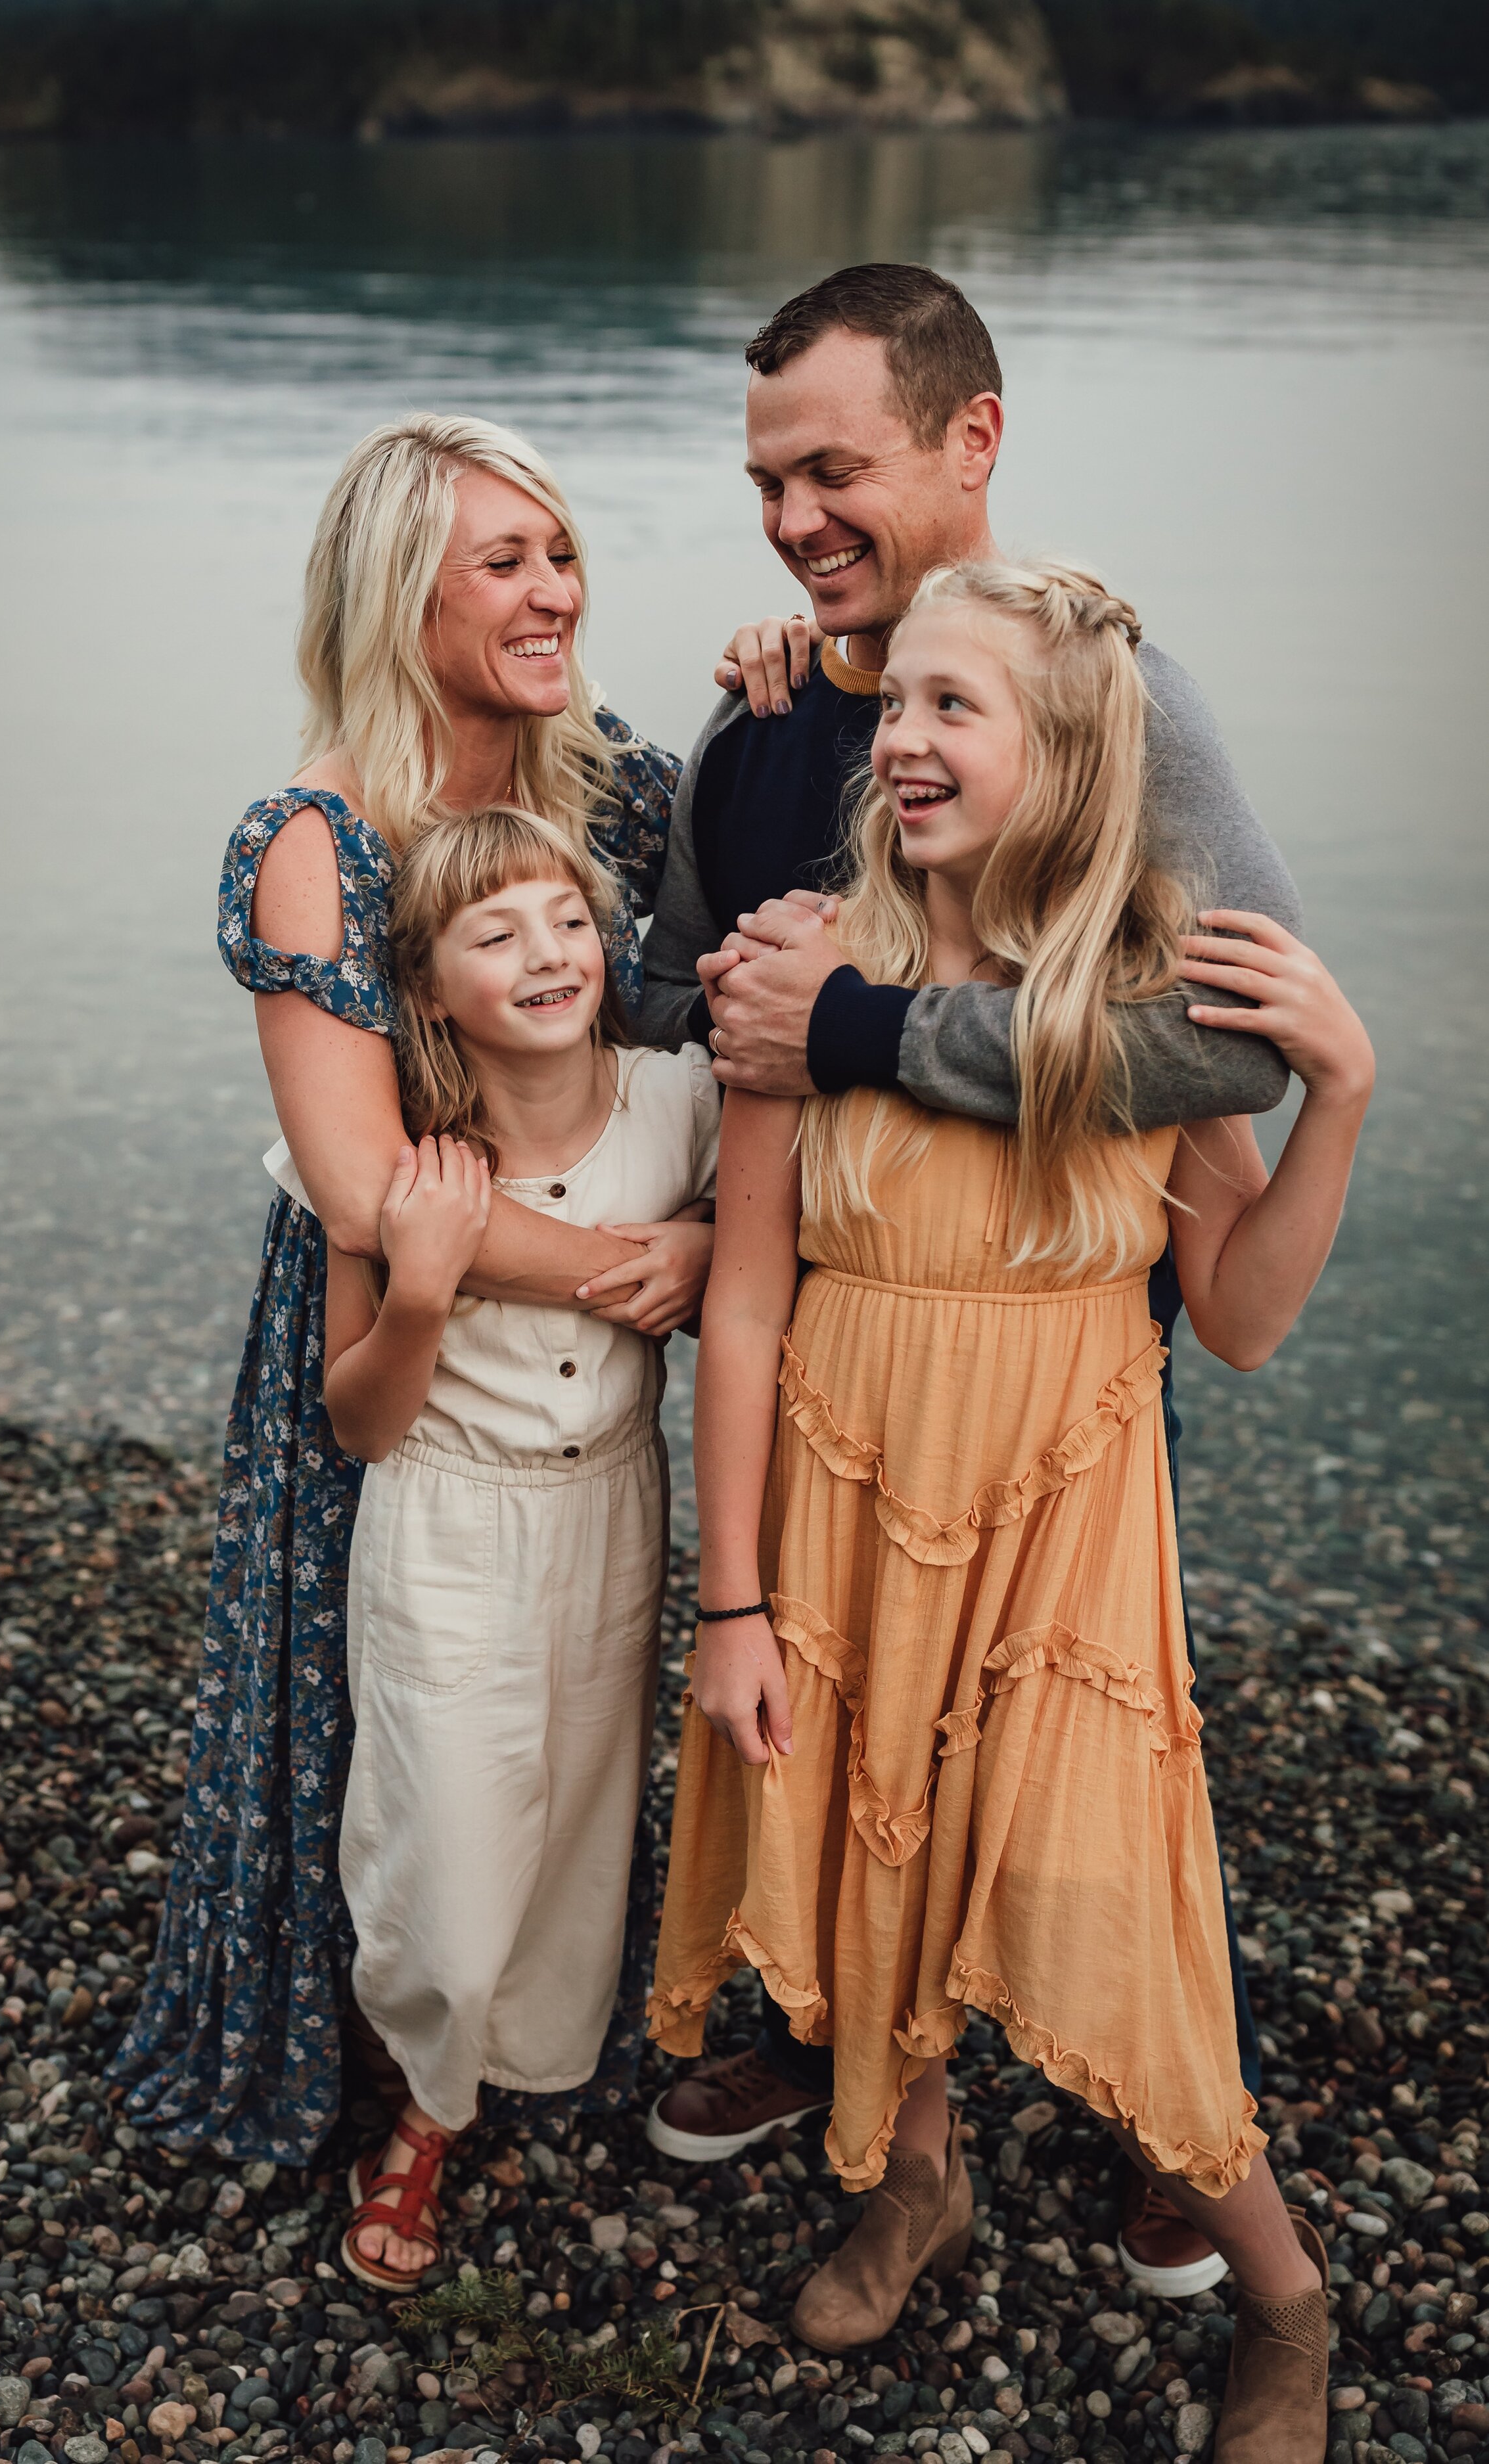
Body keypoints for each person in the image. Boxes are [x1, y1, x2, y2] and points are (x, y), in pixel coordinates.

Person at [651, 560, 1372, 2458]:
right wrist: (729, 1605)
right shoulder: (800, 966)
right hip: (841, 1510)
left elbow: (1236, 1316)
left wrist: (1345, 1098)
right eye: (898, 708)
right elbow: (738, 1303)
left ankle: (1286, 2303)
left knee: (1092, 1895)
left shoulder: (1134, 1016)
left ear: (1066, 761)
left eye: (955, 708)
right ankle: (913, 2178)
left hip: (1064, 1541)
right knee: (868, 1861)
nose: (899, 736)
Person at [638, 260, 1287, 2298]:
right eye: (768, 479)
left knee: (1076, 1792)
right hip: (842, 1362)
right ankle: (864, 2083)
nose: (795, 515)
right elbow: (694, 997)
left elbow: (1225, 1042)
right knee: (861, 1762)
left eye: (835, 467)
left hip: (1059, 1370)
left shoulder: (1110, 689)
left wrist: (856, 1038)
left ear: (968, 440)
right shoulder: (773, 715)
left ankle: (1158, 2113)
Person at [109, 411, 793, 2160]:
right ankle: (372, 2045)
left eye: (558, 552)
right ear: (400, 589)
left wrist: (812, 670)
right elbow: (355, 1180)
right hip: (393, 1307)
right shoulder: (316, 837)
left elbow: (767, 895)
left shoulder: (615, 784)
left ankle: (531, 2028)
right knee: (382, 1702)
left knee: (553, 1726)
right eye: (505, 561)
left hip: (597, 1334)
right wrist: (649, 1268)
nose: (554, 590)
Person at [315, 804, 720, 2290]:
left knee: (577, 1808)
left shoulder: (682, 1108)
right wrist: (420, 1295)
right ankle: (424, 2099)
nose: (548, 954)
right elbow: (357, 1423)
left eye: (566, 920)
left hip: (612, 1505)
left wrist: (703, 1239)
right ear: (429, 989)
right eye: (495, 935)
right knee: (447, 1817)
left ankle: (530, 2061)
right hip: (443, 1514)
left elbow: (776, 1224)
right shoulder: (408, 1167)